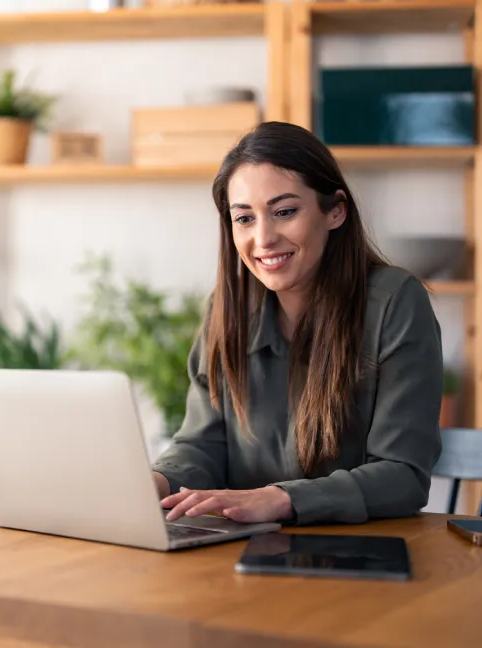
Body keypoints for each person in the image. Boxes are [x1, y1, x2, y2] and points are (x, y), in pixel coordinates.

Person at [152, 121, 443, 526]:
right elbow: (202, 446)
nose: (264, 238)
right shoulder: (225, 309)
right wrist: (157, 482)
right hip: (237, 551)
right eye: (244, 219)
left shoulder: (395, 303)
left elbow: (403, 474)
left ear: (336, 211)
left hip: (358, 556)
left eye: (285, 212)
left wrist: (281, 499)